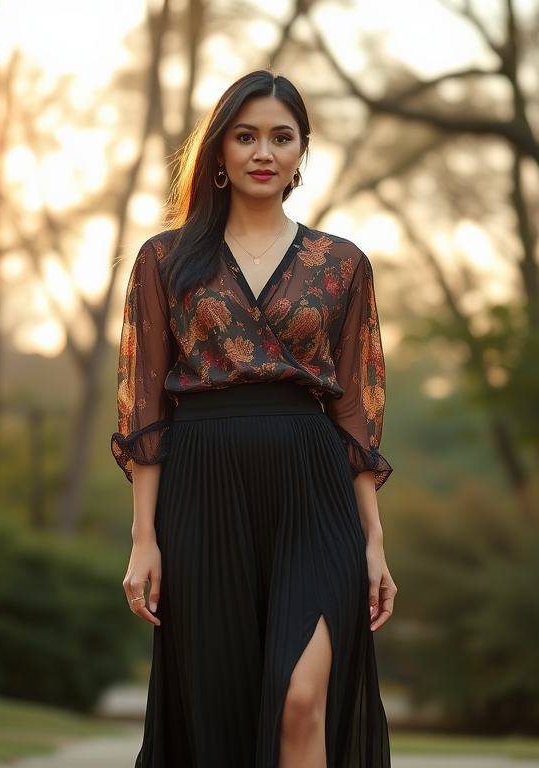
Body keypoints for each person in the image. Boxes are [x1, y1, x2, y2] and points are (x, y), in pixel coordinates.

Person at [112, 70, 395, 768]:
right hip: (203, 488)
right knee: (219, 716)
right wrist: (144, 538)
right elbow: (144, 407)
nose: (263, 151)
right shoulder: (165, 260)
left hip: (315, 487)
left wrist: (374, 540)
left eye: (281, 137)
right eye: (245, 136)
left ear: (302, 151)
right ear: (218, 152)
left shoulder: (342, 264)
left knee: (303, 702)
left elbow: (356, 406)